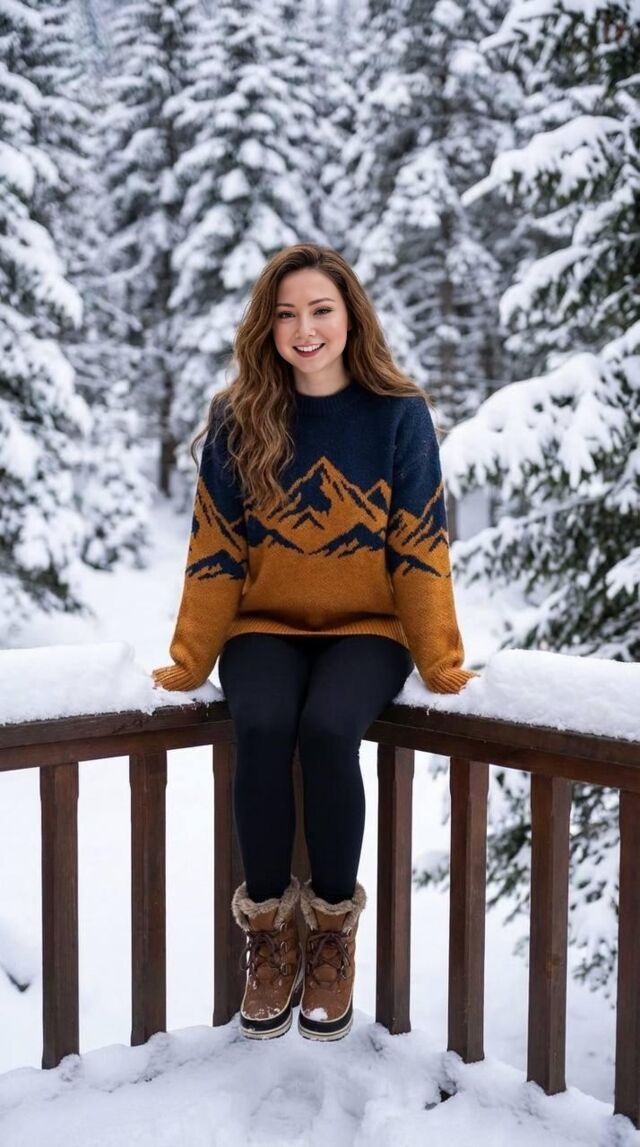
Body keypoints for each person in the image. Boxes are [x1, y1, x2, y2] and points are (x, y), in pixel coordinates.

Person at [151, 242, 479, 1043]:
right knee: (262, 725)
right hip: (264, 624)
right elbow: (217, 549)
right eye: (287, 314)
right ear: (267, 327)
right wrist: (190, 659)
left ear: (350, 317)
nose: (305, 329)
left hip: (369, 627)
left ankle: (331, 932)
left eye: (321, 310)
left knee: (331, 729)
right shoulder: (240, 415)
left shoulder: (398, 413)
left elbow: (419, 547)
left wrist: (440, 658)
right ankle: (268, 934)